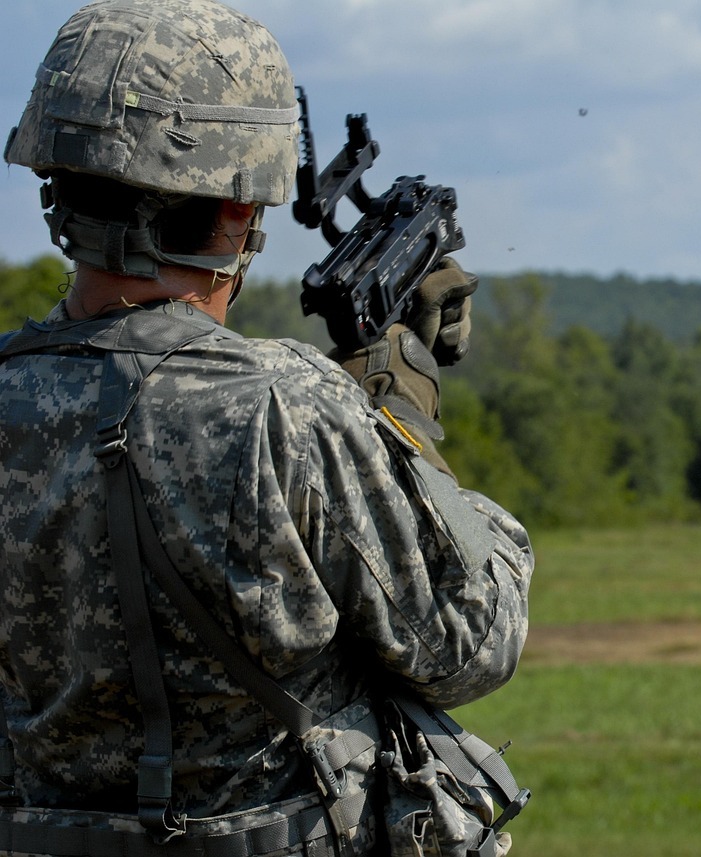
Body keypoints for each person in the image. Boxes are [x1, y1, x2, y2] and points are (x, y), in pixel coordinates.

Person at [0, 1, 532, 855]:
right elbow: (469, 639)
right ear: (238, 207)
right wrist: (402, 430)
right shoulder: (287, 403)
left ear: (56, 182)